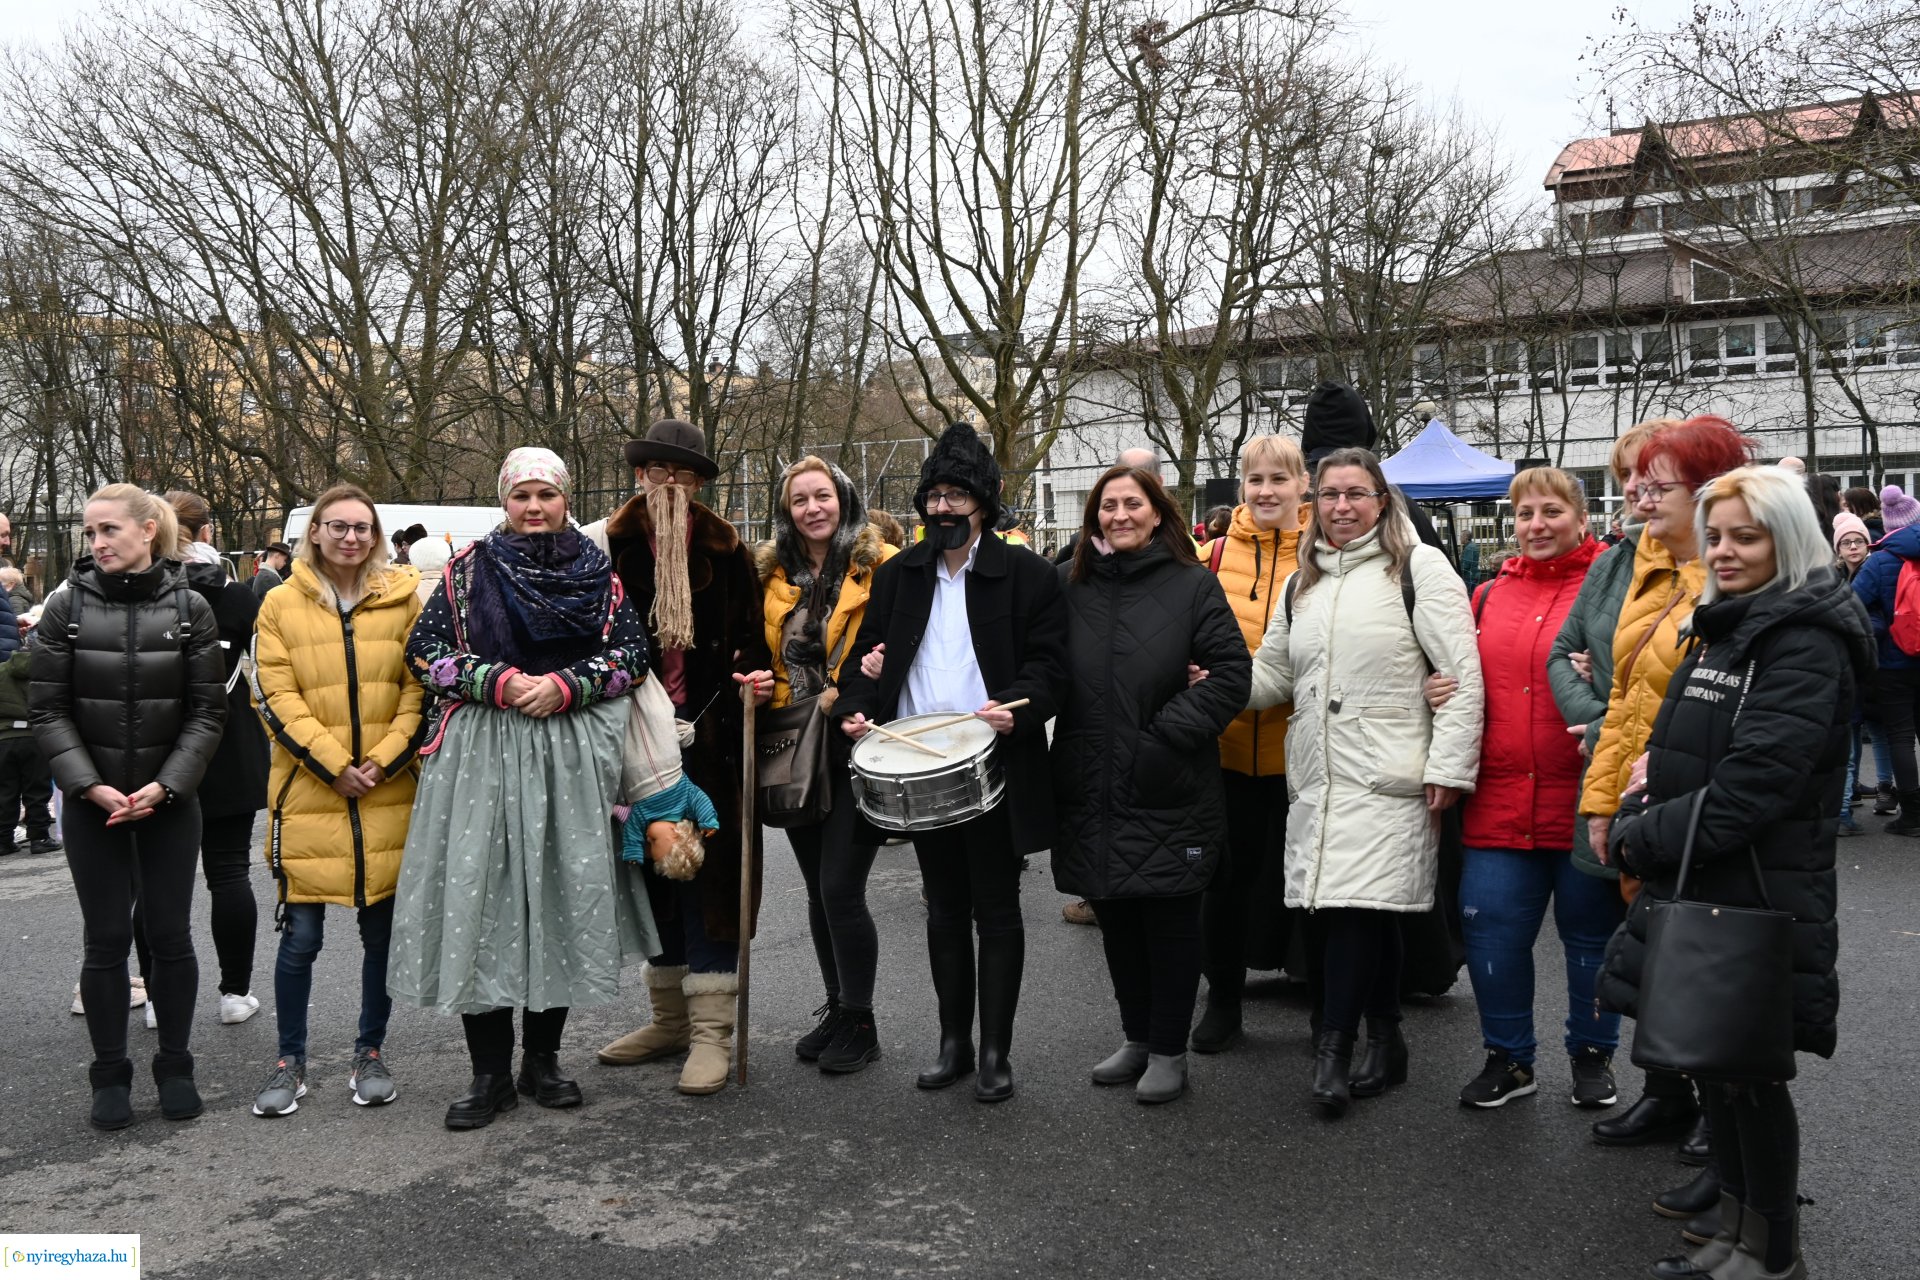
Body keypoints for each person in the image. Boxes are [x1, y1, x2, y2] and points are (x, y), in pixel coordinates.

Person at [1601, 464, 1863, 1280]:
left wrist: (1641, 837)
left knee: (1749, 1079)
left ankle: (1770, 1249)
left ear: (1788, 539)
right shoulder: (1731, 626)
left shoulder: (1803, 640)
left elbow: (1754, 788)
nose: (1724, 551)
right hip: (1708, 877)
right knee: (1718, 1071)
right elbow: (1676, 757)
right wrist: (1646, 805)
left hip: (1757, 887)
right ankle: (1738, 1232)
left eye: (1746, 536)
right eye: (1715, 536)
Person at [389, 448, 657, 1128]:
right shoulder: (467, 571)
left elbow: (632, 656)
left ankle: (542, 1062)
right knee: (483, 903)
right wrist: (497, 681)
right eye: (521, 496)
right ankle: (489, 1075)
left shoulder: (598, 573)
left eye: (547, 494)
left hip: (567, 755)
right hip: (482, 755)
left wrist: (569, 684)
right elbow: (425, 652)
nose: (534, 507)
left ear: (566, 500)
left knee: (557, 898)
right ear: (505, 502)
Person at [1244, 447, 1483, 1118]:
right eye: (1330, 494)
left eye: (1356, 493)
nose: (1342, 506)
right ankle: (1386, 1038)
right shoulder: (1303, 581)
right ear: (1314, 503)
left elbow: (1460, 674)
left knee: (1355, 911)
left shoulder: (1419, 568)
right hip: (1320, 776)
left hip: (1389, 772)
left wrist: (1450, 768)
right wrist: (1213, 679)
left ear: (1382, 501)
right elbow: (1274, 674)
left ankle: (1334, 1049)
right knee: (1350, 911)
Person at [838, 422, 1068, 1103]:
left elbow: (1052, 667)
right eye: (934, 496)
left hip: (992, 764)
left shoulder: (1028, 575)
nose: (942, 507)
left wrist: (1021, 708)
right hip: (920, 769)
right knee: (942, 909)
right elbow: (865, 660)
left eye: (957, 496)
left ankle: (995, 1051)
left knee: (995, 910)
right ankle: (953, 1044)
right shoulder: (898, 575)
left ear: (984, 504)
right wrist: (856, 705)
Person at [1578, 415, 1754, 1162]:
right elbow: (1624, 697)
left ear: (1709, 492)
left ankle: (1725, 1114)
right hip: (1641, 800)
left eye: (1656, 488)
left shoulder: (1734, 582)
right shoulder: (1649, 565)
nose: (1638, 499)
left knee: (1708, 961)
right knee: (1653, 950)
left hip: (1698, 800)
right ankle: (1667, 1092)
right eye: (1636, 485)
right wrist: (1602, 801)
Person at [29, 484, 225, 1129]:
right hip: (95, 805)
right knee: (106, 940)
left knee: (170, 936)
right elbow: (47, 711)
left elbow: (207, 713)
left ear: (148, 530)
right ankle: (109, 1073)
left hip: (169, 802)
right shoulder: (66, 607)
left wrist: (167, 787)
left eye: (108, 529)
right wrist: (89, 786)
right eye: (90, 533)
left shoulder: (192, 608)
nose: (97, 543)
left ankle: (176, 1066)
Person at [1052, 466, 1249, 1103]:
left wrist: (1162, 738)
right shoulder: (1069, 584)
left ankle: (1168, 1050)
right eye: (1107, 506)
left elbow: (1230, 674)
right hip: (1090, 782)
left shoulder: (1193, 584)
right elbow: (1035, 664)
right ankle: (1136, 1037)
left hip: (1168, 782)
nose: (1120, 515)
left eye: (1132, 503)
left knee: (1169, 922)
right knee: (1116, 918)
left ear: (1158, 512)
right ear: (1094, 518)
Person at [1425, 469, 1621, 1110]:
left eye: (1551, 511)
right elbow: (1455, 675)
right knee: (1493, 937)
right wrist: (1433, 687)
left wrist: (1605, 674)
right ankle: (1508, 1060)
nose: (1536, 525)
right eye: (1525, 513)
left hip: (1584, 798)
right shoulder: (1487, 596)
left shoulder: (1611, 588)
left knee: (1590, 940)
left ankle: (1592, 1056)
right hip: (1500, 799)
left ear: (1582, 518)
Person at [589, 420, 770, 1096]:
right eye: (659, 471)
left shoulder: (728, 550)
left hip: (710, 740)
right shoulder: (603, 548)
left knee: (710, 880)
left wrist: (755, 676)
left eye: (684, 474)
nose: (670, 483)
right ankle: (668, 1021)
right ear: (641, 476)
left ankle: (710, 1034)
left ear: (697, 484)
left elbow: (753, 641)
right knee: (654, 874)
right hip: (630, 740)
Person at [248, 485, 424, 1118]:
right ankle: (288, 1060)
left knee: (382, 936)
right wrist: (333, 766)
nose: (351, 537)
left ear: (375, 535)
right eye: (338, 526)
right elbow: (273, 696)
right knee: (300, 938)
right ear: (316, 532)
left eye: (362, 527)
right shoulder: (278, 602)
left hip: (387, 791)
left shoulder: (404, 600)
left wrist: (382, 760)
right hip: (308, 792)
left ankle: (369, 1052)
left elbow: (420, 690)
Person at [738, 456, 897, 1073]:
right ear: (787, 511)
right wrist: (756, 684)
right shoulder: (770, 575)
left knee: (840, 887)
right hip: (794, 744)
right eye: (799, 500)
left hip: (856, 740)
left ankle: (862, 1020)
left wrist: (874, 677)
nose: (812, 508)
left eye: (822, 495)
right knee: (816, 891)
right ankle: (838, 1007)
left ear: (843, 498)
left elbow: (902, 643)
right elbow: (758, 653)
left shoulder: (883, 566)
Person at [1189, 434, 1308, 1054]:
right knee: (1223, 886)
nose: (1266, 491)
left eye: (1279, 479)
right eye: (1255, 479)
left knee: (1309, 887)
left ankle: (1326, 1012)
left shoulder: (1326, 553)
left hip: (1303, 757)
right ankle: (1224, 1002)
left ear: (1302, 485)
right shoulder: (1209, 557)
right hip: (1225, 751)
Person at [166, 491, 269, 1026]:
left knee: (159, 879)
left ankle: (159, 995)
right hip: (227, 741)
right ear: (207, 533)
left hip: (157, 745)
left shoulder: (143, 592)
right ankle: (234, 994)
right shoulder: (238, 598)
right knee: (228, 872)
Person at [1847, 482, 1920, 836]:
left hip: (1894, 663)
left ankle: (1912, 816)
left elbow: (1851, 608)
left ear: (1889, 526)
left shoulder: (1879, 561)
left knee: (1901, 737)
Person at [1831, 511, 1883, 839]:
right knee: (1848, 746)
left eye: (1858, 541)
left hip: (1863, 670)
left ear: (1867, 544)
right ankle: (1842, 811)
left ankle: (1844, 807)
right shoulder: (1834, 577)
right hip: (1843, 671)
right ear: (1838, 549)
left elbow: (1879, 621)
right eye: (1846, 542)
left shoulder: (1871, 574)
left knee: (1854, 741)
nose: (1853, 547)